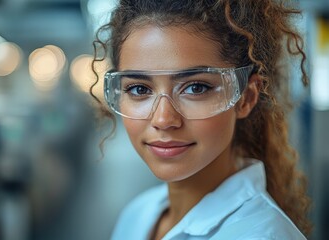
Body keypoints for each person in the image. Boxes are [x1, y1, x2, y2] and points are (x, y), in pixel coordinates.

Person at [90, 0, 312, 239]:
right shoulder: (136, 215)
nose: (164, 119)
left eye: (196, 88)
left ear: (245, 98)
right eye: (139, 90)